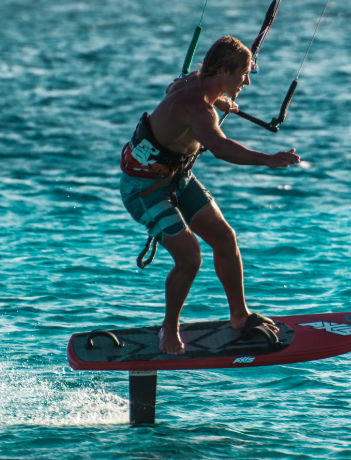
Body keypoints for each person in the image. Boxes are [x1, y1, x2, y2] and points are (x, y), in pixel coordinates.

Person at [119, 36, 300, 355]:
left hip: (176, 176)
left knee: (224, 237)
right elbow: (221, 147)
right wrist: (268, 158)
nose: (247, 80)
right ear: (224, 71)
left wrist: (219, 98)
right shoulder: (200, 109)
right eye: (243, 73)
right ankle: (169, 329)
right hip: (143, 189)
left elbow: (175, 93)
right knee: (189, 256)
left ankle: (239, 316)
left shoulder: (195, 85)